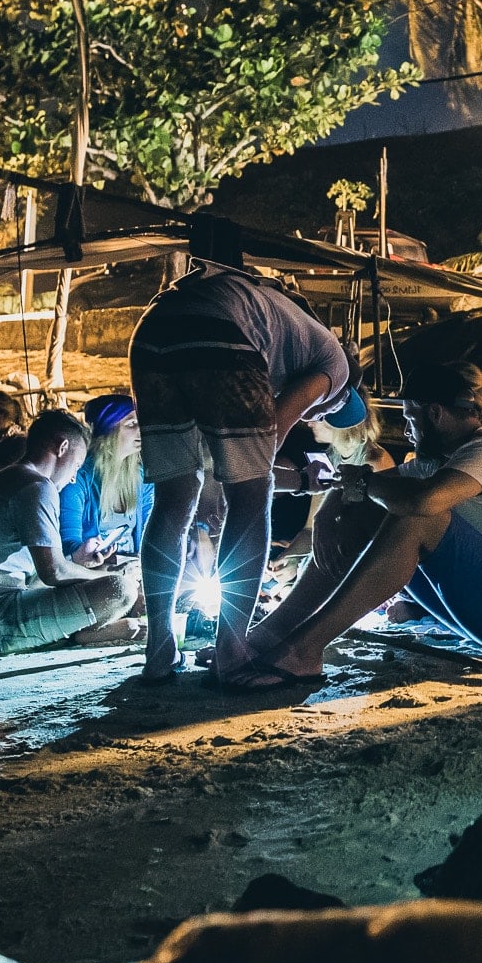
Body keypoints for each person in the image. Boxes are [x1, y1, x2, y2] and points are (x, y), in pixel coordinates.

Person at [224, 361, 482, 692]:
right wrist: (327, 516)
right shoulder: (445, 458)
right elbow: (368, 486)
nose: (407, 431)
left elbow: (422, 503)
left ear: (434, 414)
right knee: (368, 511)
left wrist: (358, 489)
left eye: (410, 418)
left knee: (416, 517)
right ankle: (270, 635)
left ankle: (305, 650)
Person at [129, 240, 366, 682]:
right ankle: (233, 656)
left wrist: (272, 478)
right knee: (251, 500)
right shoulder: (334, 366)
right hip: (222, 337)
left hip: (152, 333)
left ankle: (159, 653)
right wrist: (290, 478)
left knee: (173, 497)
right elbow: (273, 435)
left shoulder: (282, 325)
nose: (317, 418)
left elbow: (238, 452)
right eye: (327, 411)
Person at [0, 409, 136, 656]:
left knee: (95, 578)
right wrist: (102, 574)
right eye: (77, 465)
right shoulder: (37, 486)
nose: (75, 478)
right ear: (62, 447)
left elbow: (34, 574)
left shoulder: (9, 479)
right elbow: (53, 573)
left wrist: (77, 562)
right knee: (121, 588)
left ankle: (77, 631)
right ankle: (84, 634)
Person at [59, 393, 153, 567]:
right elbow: (69, 541)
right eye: (132, 424)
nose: (142, 429)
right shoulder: (78, 480)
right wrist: (86, 553)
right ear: (108, 430)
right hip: (92, 573)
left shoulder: (141, 477)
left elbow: (151, 529)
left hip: (134, 568)